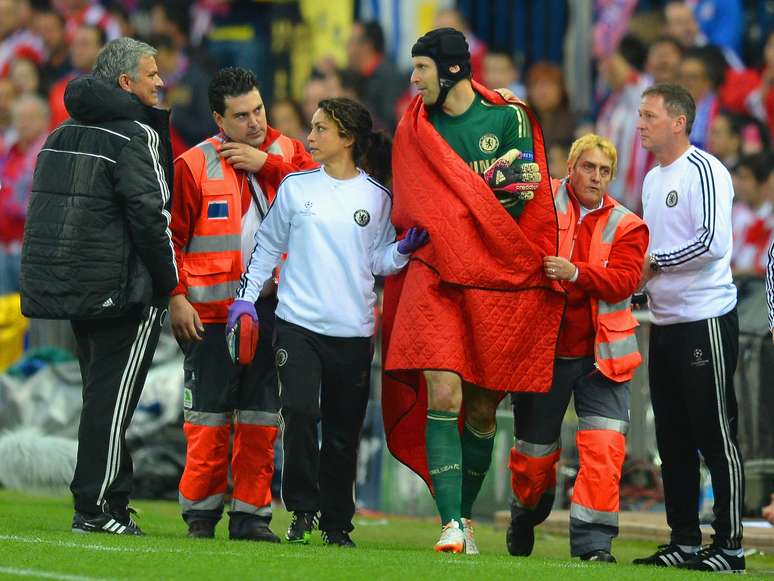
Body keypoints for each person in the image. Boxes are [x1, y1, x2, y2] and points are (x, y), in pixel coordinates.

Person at [381, 27, 564, 555]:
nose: (414, 80)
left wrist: (462, 220)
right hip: (436, 274)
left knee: (482, 411)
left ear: (452, 70)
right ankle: (451, 526)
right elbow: (416, 204)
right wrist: (467, 216)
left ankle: (462, 516)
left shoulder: (508, 117)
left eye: (421, 69)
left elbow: (520, 190)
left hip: (494, 276)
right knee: (444, 391)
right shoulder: (415, 126)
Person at [228, 96, 428, 548]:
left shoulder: (377, 199)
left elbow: (376, 260)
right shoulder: (297, 188)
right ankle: (302, 509)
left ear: (347, 139)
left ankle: (337, 524)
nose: (310, 137)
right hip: (296, 324)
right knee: (300, 413)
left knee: (342, 433)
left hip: (353, 332)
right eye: (312, 128)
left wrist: (401, 251)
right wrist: (244, 301)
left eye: (320, 130)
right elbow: (265, 248)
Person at [20, 37, 176, 535]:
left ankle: (113, 500)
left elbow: (45, 214)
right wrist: (171, 288)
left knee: (100, 398)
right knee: (111, 402)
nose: (160, 82)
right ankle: (95, 508)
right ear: (126, 82)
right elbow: (152, 217)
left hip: (76, 289)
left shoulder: (62, 131)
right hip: (125, 290)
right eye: (151, 74)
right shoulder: (137, 135)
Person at [170, 66, 315, 542]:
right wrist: (176, 298)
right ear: (218, 118)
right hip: (209, 313)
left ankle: (252, 516)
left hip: (274, 309)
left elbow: (321, 197)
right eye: (241, 115)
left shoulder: (290, 153)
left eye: (258, 110)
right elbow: (172, 238)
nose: (254, 121)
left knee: (259, 418)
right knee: (207, 418)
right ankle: (200, 516)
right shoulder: (193, 164)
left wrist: (265, 164)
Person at [507, 134, 648, 563]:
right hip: (542, 352)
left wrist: (576, 273)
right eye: (589, 167)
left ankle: (594, 545)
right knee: (532, 460)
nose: (597, 178)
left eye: (604, 171)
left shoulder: (628, 225)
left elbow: (625, 280)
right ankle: (526, 511)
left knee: (605, 451)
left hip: (602, 358)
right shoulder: (541, 201)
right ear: (570, 167)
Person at [633, 83, 745, 573]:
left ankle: (731, 545)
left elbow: (713, 242)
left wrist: (654, 264)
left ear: (679, 122)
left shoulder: (706, 170)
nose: (640, 123)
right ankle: (683, 538)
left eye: (649, 115)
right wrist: (637, 288)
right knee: (673, 439)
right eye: (639, 115)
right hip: (666, 322)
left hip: (706, 319)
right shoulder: (652, 180)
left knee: (715, 434)